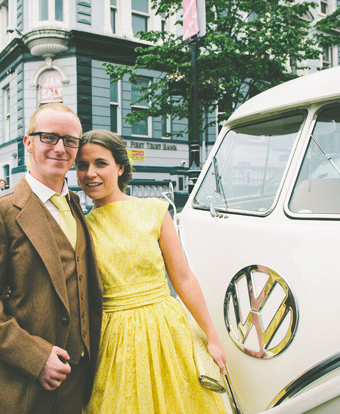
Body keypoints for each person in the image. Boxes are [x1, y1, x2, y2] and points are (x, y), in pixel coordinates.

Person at [0, 102, 103, 414]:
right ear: (28, 143)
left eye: (70, 140)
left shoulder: (77, 205)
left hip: (77, 381)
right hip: (23, 385)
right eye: (49, 137)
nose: (60, 148)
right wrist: (35, 358)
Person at [76, 130, 227, 414]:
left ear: (120, 167)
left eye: (100, 163)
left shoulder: (155, 211)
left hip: (167, 331)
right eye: (81, 165)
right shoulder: (80, 226)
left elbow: (182, 277)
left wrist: (212, 336)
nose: (89, 173)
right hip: (113, 340)